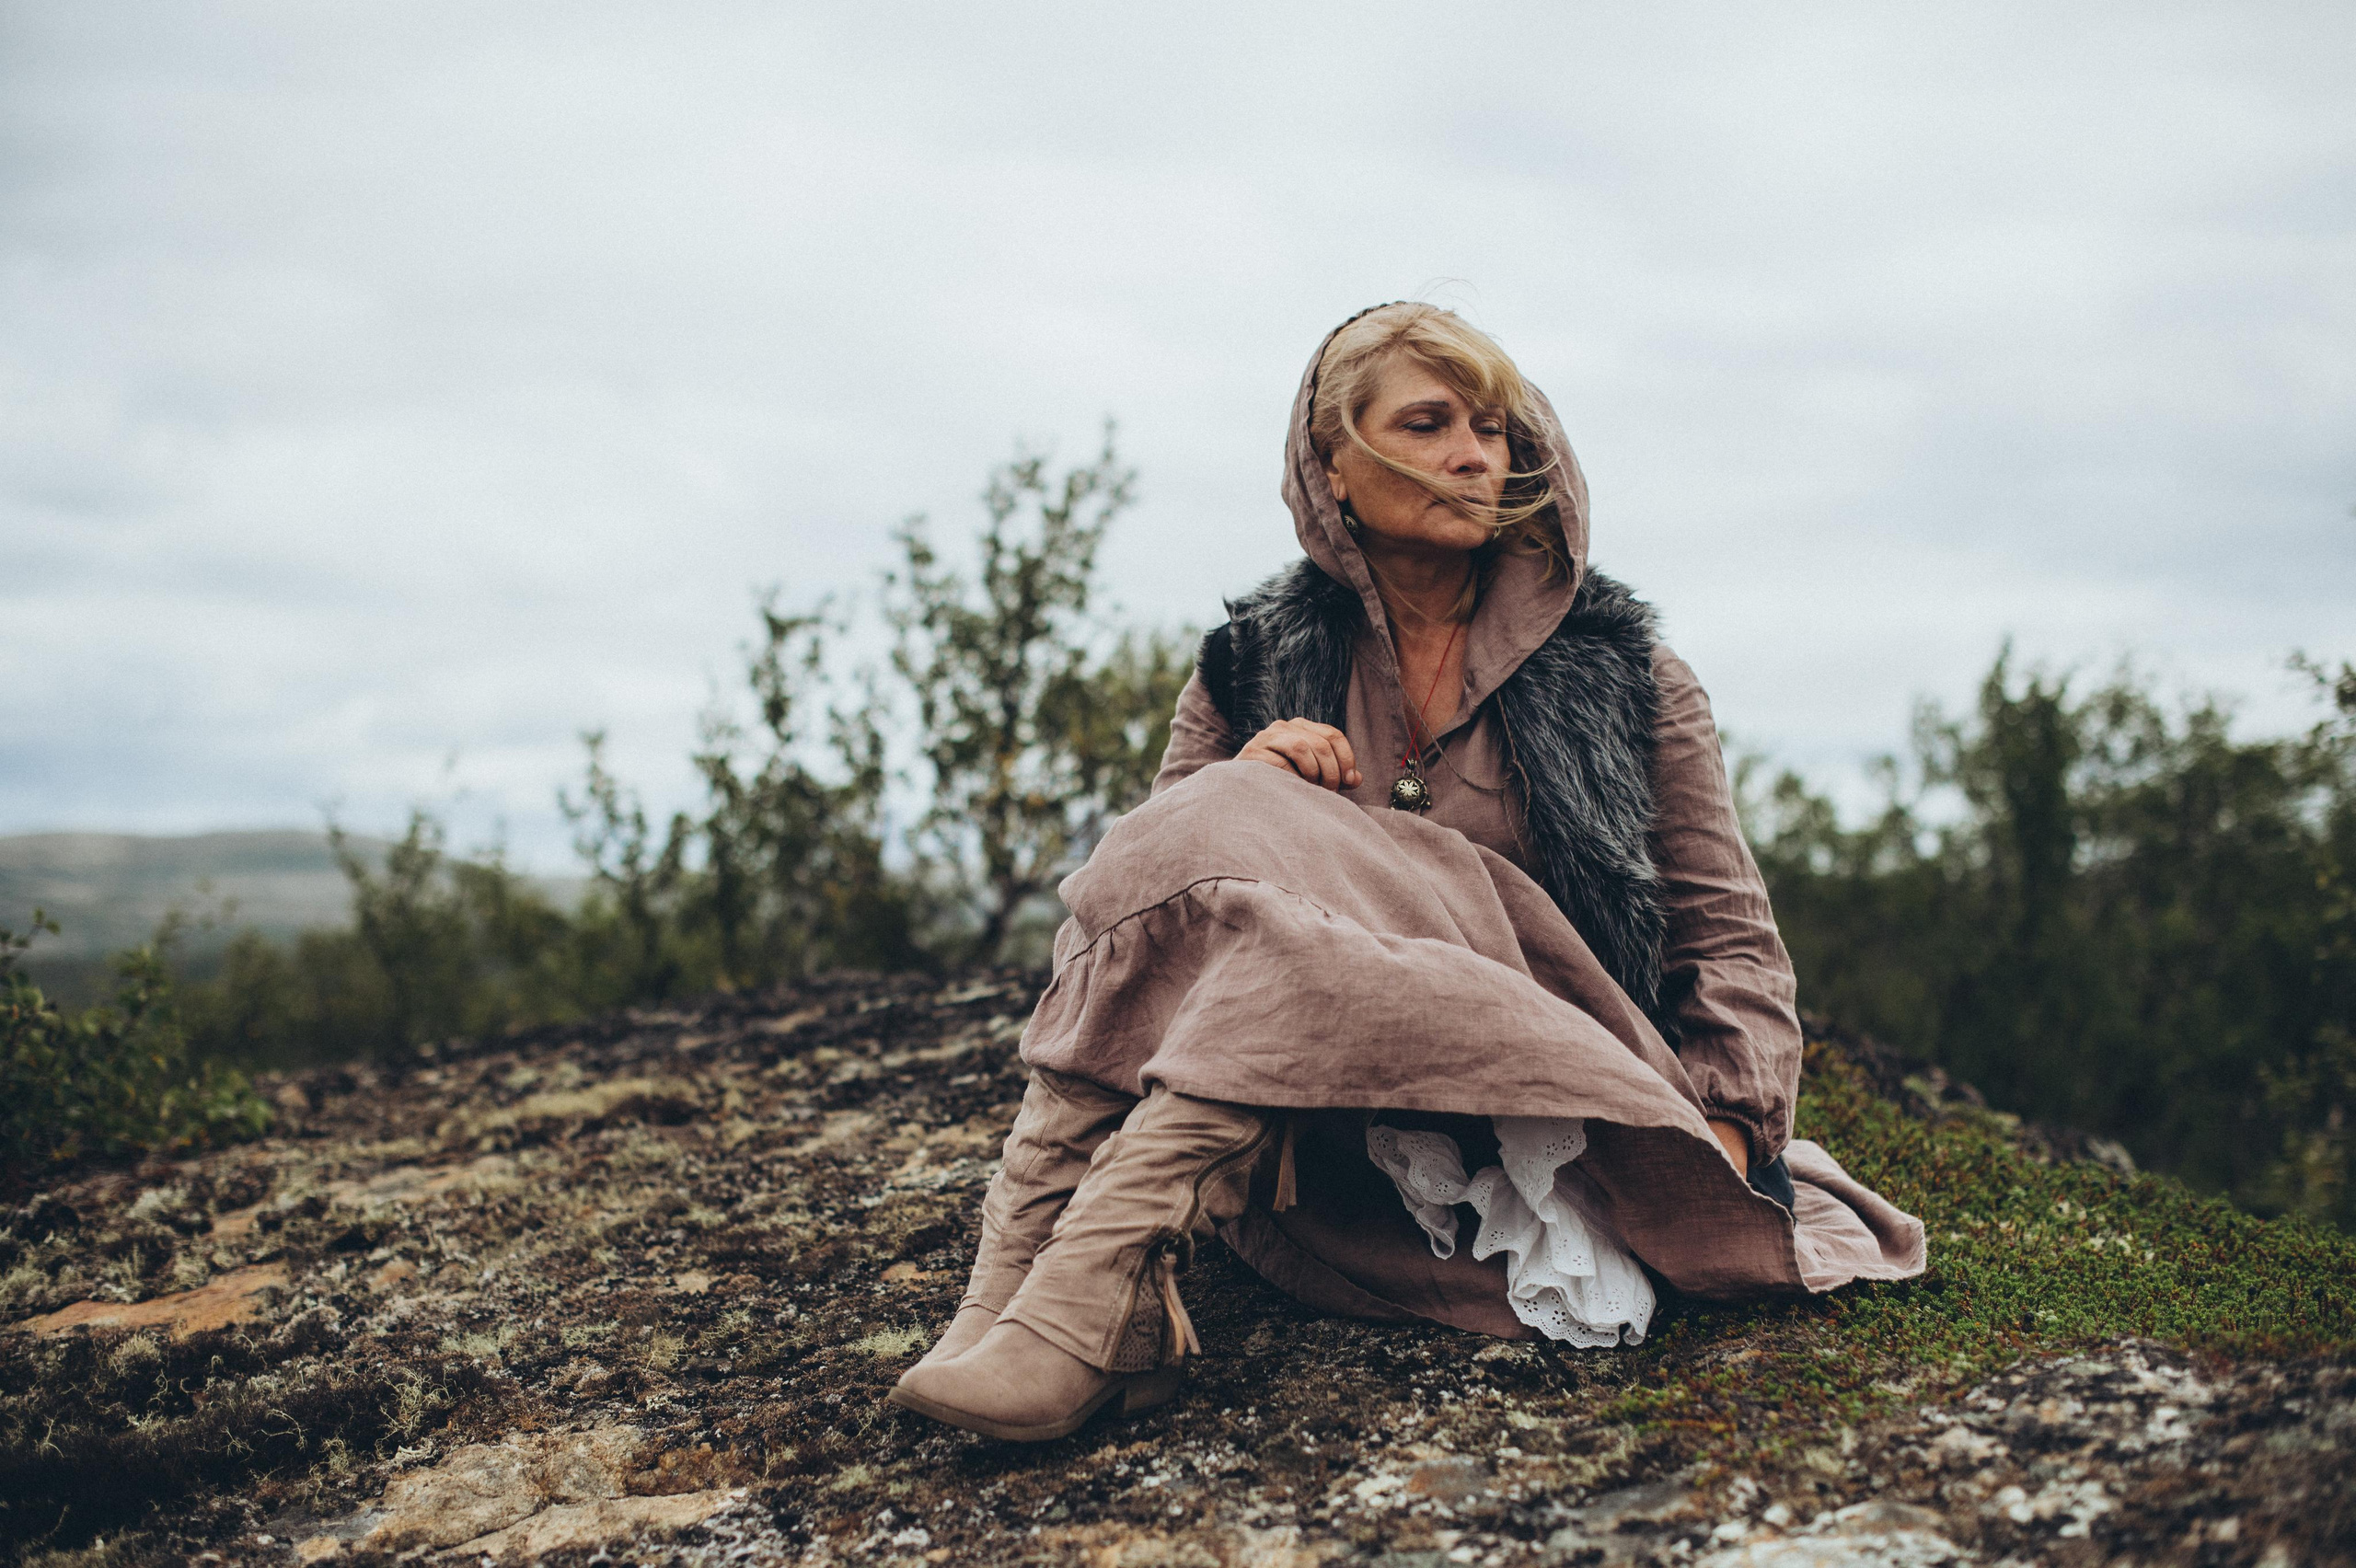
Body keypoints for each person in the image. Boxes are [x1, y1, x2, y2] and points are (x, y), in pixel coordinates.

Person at [888, 303, 1924, 1443]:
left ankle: (1081, 1317)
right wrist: (1243, 772)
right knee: (1218, 822)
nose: (1475, 455)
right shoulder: (1248, 664)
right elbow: (1149, 922)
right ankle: (1009, 1304)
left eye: (1493, 428)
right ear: (1330, 465)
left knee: (1247, 832)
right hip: (1344, 1135)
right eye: (1428, 424)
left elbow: (1725, 930)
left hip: (1544, 1094)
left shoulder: (1628, 674)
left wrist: (1726, 1123)